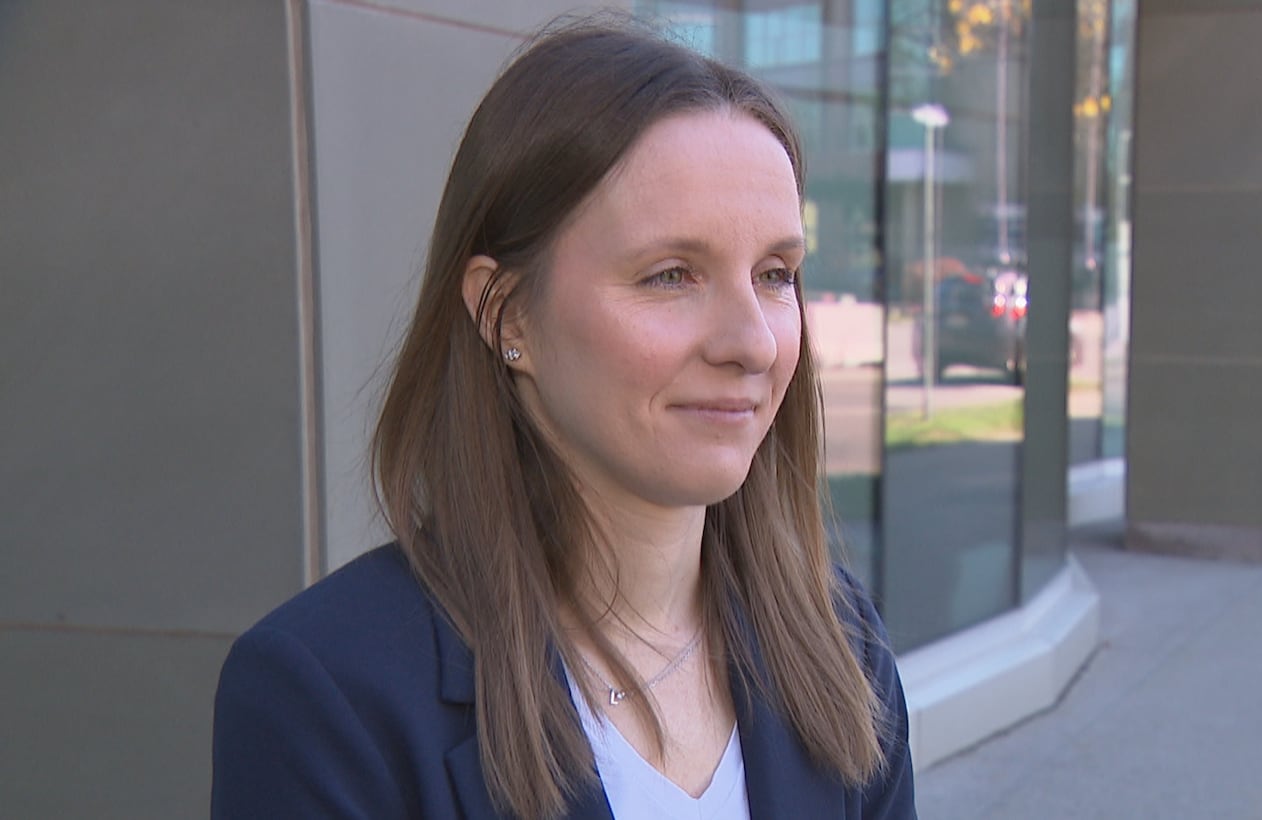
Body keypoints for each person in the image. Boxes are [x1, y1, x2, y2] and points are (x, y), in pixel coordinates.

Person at [212, 14, 916, 820]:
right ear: (506, 315)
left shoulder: (839, 635)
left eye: (776, 273)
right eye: (671, 274)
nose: (752, 343)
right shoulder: (329, 695)